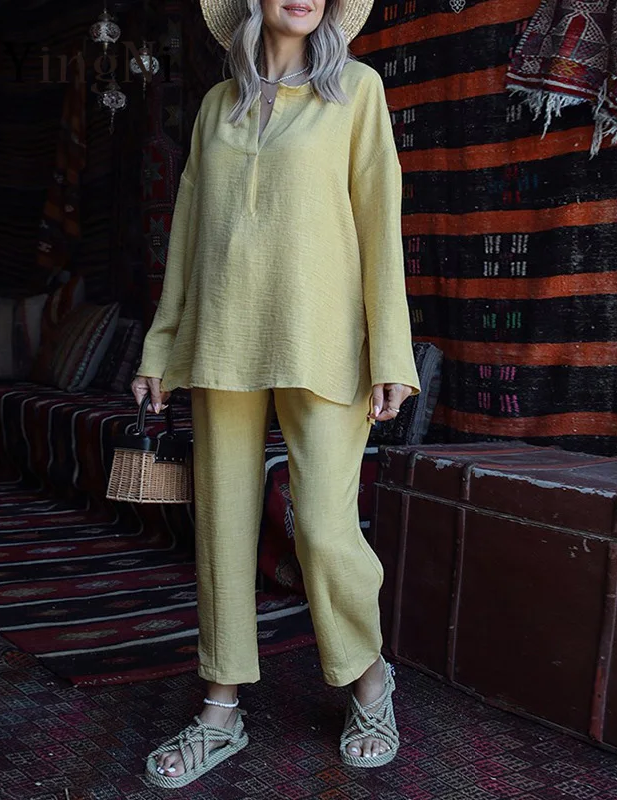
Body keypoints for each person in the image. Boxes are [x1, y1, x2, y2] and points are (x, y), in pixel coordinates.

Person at [132, 0, 420, 788]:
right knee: (222, 528)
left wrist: (390, 352)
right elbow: (187, 233)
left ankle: (370, 681)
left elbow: (380, 225)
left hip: (323, 341)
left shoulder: (356, 91)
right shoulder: (216, 107)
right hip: (221, 337)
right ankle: (219, 710)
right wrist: (160, 345)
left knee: (322, 526)